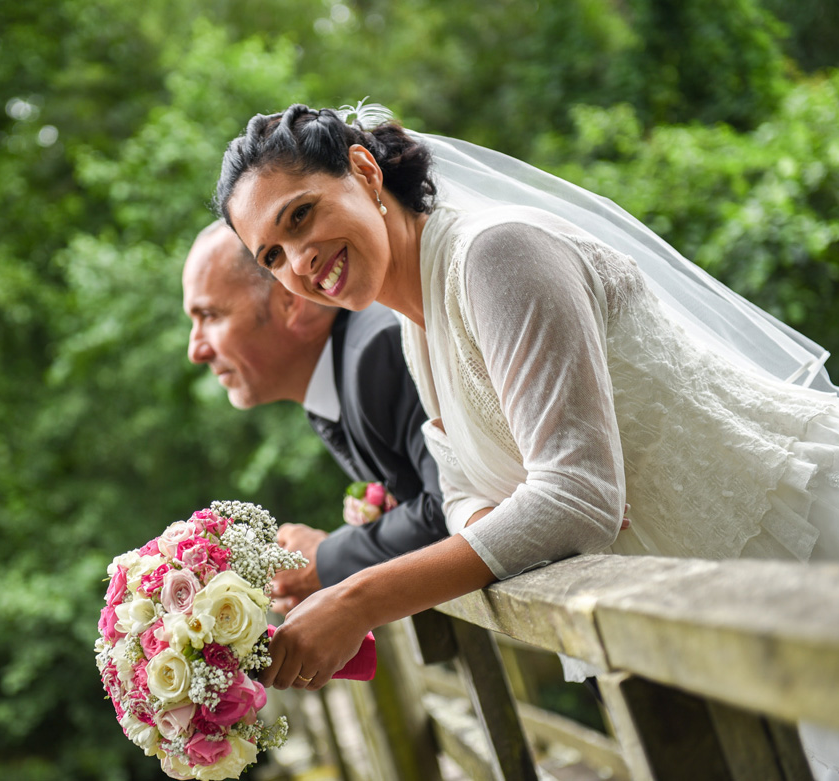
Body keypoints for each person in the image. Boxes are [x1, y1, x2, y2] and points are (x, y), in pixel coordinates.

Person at [212, 103, 839, 776]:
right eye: (271, 255)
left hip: (795, 545)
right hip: (712, 601)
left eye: (301, 215)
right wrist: (511, 515)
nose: (300, 261)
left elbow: (578, 498)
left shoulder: (493, 254)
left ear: (364, 171)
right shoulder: (415, 330)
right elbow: (459, 495)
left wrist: (356, 597)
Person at [182, 220, 448, 609]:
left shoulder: (377, 350)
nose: (196, 350)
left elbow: (454, 510)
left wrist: (325, 559)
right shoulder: (340, 374)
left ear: (290, 300)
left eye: (211, 315)